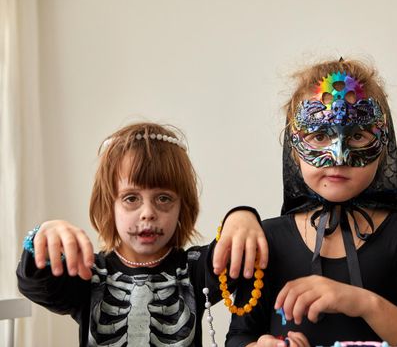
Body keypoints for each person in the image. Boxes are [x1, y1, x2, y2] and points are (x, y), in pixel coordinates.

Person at [225, 59, 397, 347]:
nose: (338, 156)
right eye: (319, 135)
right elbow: (239, 338)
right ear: (293, 148)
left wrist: (363, 302)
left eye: (358, 135)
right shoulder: (267, 240)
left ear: (383, 142)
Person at [17, 122, 268, 347]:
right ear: (108, 205)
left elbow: (234, 251)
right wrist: (42, 237)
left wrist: (241, 215)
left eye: (163, 198)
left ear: (184, 207)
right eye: (130, 198)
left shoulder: (194, 270)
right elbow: (36, 284)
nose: (148, 213)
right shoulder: (89, 272)